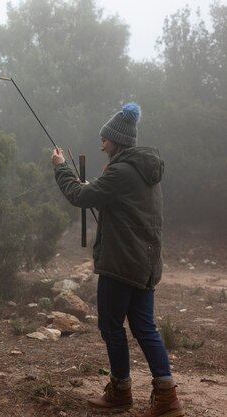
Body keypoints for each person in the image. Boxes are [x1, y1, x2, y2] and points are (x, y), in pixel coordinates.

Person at [50, 103, 184, 417]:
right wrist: (94, 188)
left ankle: (121, 392)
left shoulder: (122, 171)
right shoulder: (144, 170)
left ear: (117, 141)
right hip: (145, 263)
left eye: (105, 140)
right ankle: (167, 397)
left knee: (111, 327)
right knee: (145, 328)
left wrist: (60, 167)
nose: (101, 145)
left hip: (121, 263)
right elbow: (113, 197)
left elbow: (80, 197)